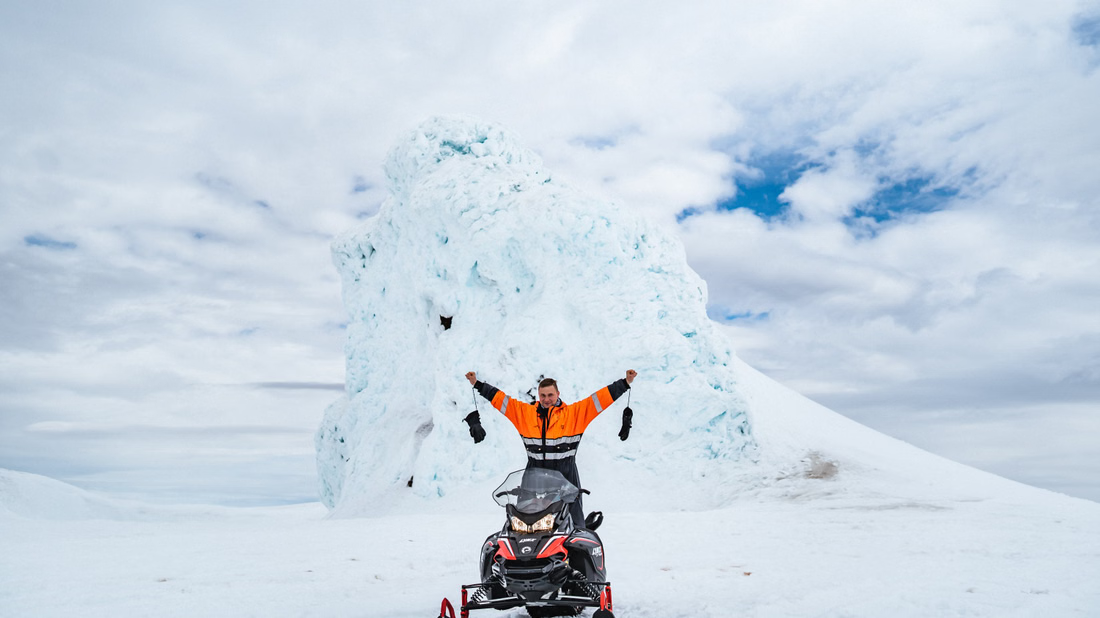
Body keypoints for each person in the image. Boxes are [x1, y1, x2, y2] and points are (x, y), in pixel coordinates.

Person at [464, 369, 637, 527]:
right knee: (524, 525)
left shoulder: (574, 414)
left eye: (550, 395)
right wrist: (477, 384)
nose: (546, 400)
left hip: (566, 476)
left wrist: (625, 382)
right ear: (539, 396)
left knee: (575, 526)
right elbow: (501, 399)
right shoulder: (525, 414)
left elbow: (600, 398)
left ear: (558, 394)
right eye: (543, 395)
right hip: (534, 478)